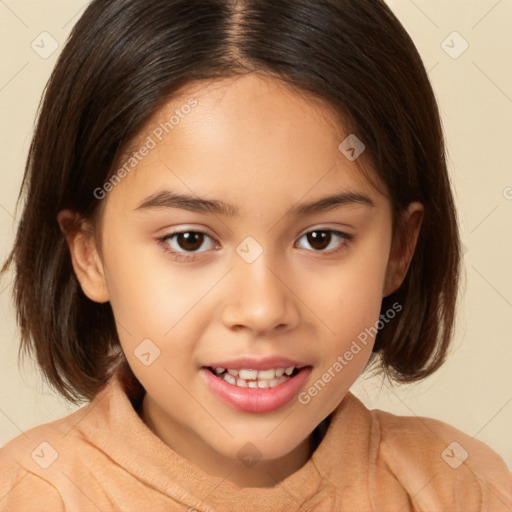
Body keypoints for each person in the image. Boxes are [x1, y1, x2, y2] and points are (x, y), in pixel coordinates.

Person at [1, 0, 511, 510]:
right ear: (89, 253)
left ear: (400, 248)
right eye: (189, 240)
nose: (263, 309)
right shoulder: (29, 494)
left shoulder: (460, 487)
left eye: (320, 238)